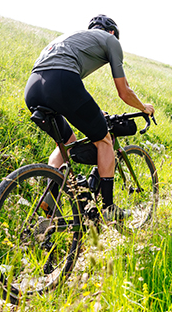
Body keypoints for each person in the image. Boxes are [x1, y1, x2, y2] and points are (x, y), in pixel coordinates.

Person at [24, 14, 154, 220]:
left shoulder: (71, 38)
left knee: (66, 144)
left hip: (33, 87)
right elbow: (124, 91)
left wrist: (93, 112)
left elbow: (70, 93)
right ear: (112, 32)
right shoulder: (110, 40)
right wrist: (144, 107)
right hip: (62, 81)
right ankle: (108, 208)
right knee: (104, 139)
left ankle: (49, 201)